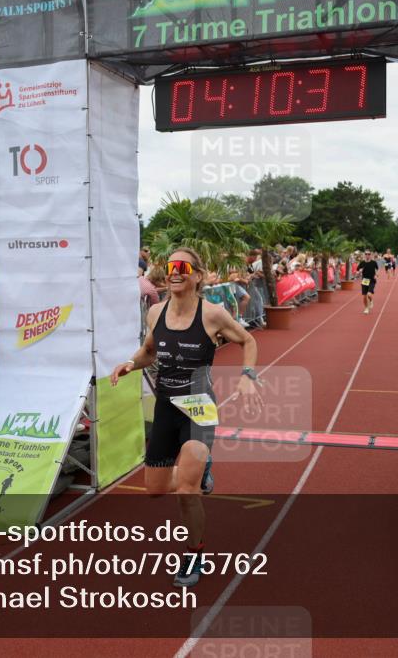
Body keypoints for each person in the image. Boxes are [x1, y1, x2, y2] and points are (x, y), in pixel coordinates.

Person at [110, 248, 262, 587]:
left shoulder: (213, 315)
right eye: (170, 267)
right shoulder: (155, 313)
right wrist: (131, 363)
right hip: (166, 407)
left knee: (187, 490)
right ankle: (202, 467)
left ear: (196, 275)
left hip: (198, 408)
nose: (174, 272)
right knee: (155, 489)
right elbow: (150, 351)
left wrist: (247, 375)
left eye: (183, 267)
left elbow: (248, 340)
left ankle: (195, 553)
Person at [358, 250, 378, 314]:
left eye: (369, 254)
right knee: (364, 296)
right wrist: (359, 271)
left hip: (372, 280)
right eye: (366, 254)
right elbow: (357, 271)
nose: (367, 255)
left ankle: (371, 300)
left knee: (369, 294)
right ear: (364, 255)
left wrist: (376, 275)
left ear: (370, 255)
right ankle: (366, 308)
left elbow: (376, 269)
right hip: (364, 280)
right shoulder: (362, 263)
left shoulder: (374, 262)